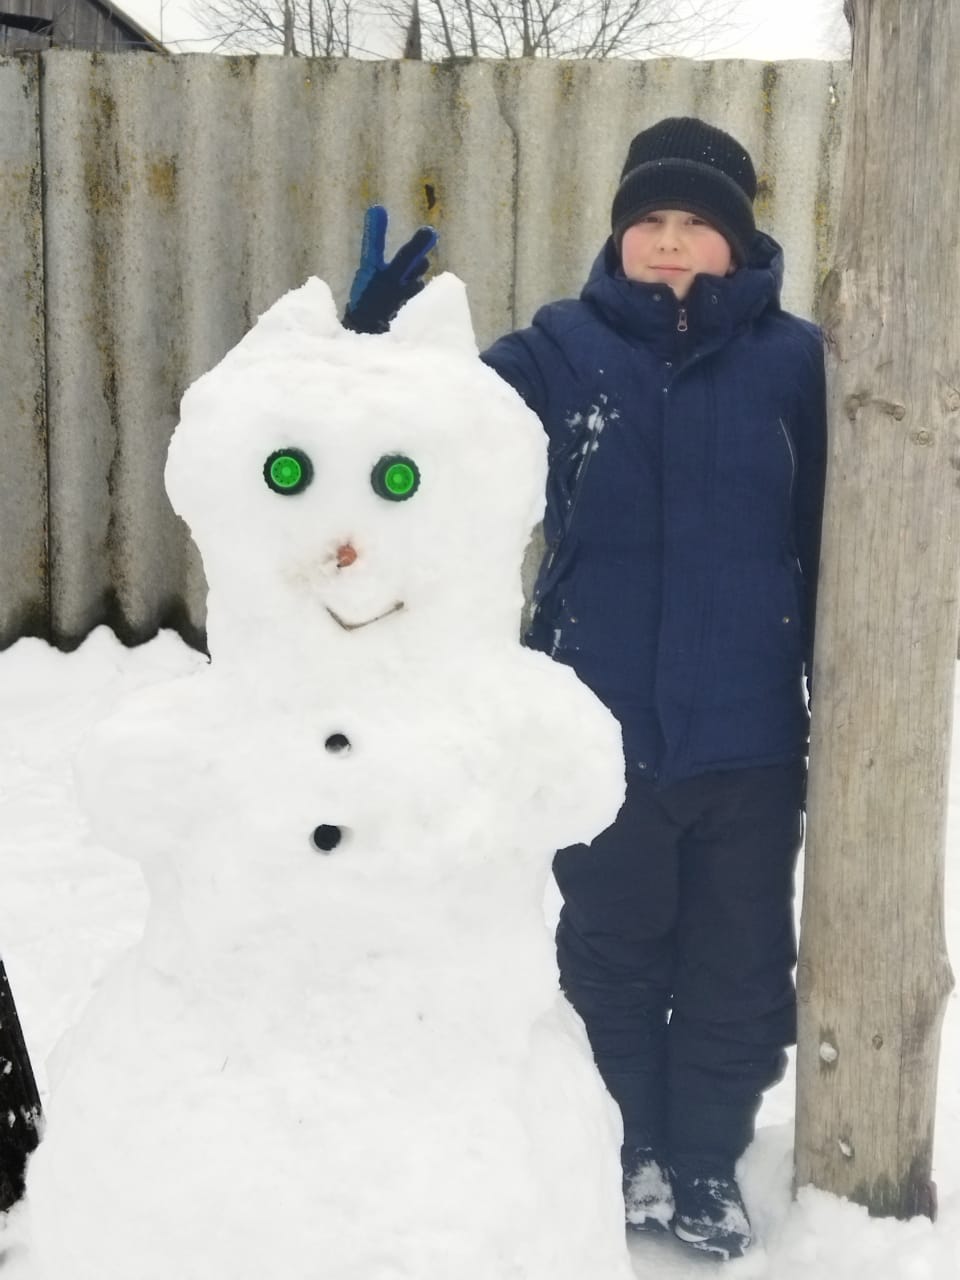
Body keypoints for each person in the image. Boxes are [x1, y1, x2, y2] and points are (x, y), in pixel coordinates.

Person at [343, 116, 827, 1261]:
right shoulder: (562, 349)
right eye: (649, 221)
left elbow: (839, 525)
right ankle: (627, 1146)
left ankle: (705, 1157)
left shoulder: (798, 362)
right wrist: (368, 356)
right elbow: (439, 432)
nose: (670, 243)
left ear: (740, 240)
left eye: (695, 223)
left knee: (738, 969)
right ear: (617, 235)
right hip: (599, 730)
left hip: (752, 735)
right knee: (610, 950)